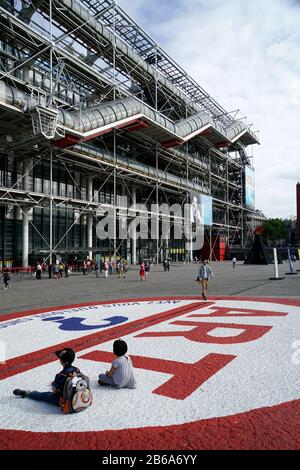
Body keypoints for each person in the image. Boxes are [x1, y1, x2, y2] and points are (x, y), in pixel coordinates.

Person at [13, 348, 82, 407]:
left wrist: (54, 385)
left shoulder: (60, 375)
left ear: (62, 362)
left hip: (64, 401)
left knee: (44, 395)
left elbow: (55, 391)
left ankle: (27, 394)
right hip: (78, 398)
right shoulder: (77, 370)